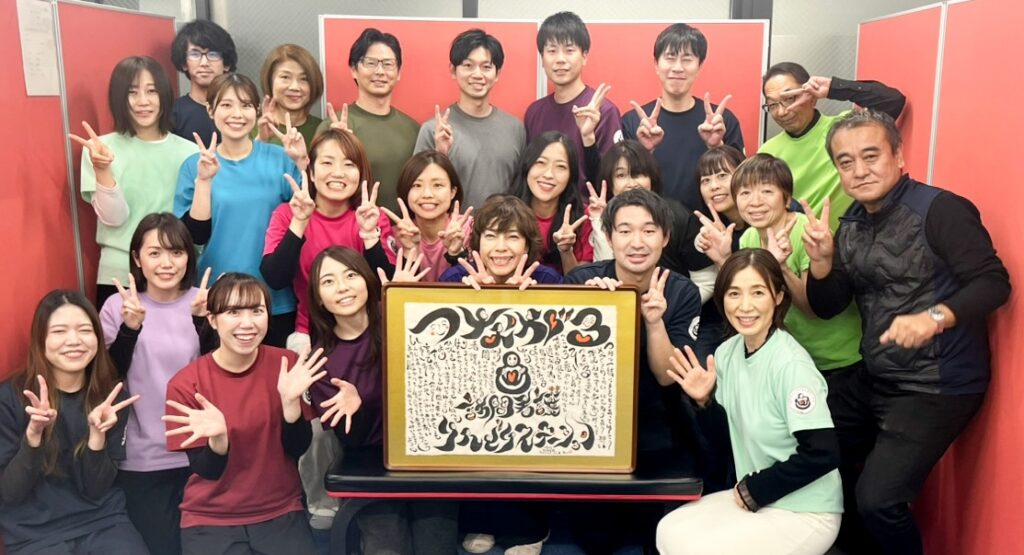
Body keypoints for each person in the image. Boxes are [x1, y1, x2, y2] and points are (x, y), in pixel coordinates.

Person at [804, 110, 1011, 554]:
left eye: (871, 156)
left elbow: (994, 283)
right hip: (877, 374)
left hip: (938, 384)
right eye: (845, 162)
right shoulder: (851, 222)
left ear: (898, 156)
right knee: (813, 453)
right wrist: (821, 264)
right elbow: (829, 305)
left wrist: (934, 317)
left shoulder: (941, 209)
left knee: (879, 501)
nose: (859, 171)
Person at [657, 249, 843, 555]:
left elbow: (823, 453)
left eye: (758, 292)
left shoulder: (791, 364)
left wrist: (756, 489)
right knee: (668, 530)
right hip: (757, 499)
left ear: (778, 297)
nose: (745, 306)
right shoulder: (727, 353)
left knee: (695, 549)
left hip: (805, 510)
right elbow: (724, 439)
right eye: (734, 293)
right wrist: (704, 401)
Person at [564, 188, 703, 552]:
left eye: (648, 230)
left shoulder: (682, 291)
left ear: (665, 237)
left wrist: (654, 322)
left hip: (659, 426)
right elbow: (564, 372)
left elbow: (667, 376)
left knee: (659, 538)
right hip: (593, 429)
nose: (637, 242)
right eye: (625, 231)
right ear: (609, 237)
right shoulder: (581, 282)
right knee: (596, 541)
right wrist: (593, 310)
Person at [306, 247, 456, 553]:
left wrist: (410, 302)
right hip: (368, 458)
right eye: (329, 281)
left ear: (366, 279)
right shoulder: (321, 360)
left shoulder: (402, 317)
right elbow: (351, 440)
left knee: (435, 545)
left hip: (428, 451)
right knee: (387, 547)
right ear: (319, 298)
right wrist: (356, 410)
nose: (343, 287)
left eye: (350, 275)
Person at [163, 273, 324, 554]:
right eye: (233, 312)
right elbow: (206, 470)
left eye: (256, 311)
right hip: (210, 519)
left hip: (281, 510)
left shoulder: (287, 364)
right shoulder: (187, 384)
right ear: (212, 320)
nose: (247, 323)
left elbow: (298, 448)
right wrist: (219, 440)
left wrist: (290, 405)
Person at [0, 290, 146, 554]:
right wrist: (33, 438)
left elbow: (96, 488)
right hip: (34, 534)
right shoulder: (9, 398)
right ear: (40, 339)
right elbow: (9, 492)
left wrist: (97, 437)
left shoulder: (111, 398)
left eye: (84, 330)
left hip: (103, 521)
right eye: (59, 331)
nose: (74, 341)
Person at [698, 153, 864, 378]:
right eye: (745, 193)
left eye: (767, 191)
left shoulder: (807, 233)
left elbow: (811, 310)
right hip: (787, 358)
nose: (755, 202)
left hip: (834, 360)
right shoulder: (749, 238)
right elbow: (751, 295)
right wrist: (723, 259)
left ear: (786, 199)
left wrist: (782, 267)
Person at [98, 213, 206, 555]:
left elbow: (223, 373)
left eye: (176, 252)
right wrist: (129, 329)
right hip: (142, 458)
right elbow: (107, 379)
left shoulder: (204, 302)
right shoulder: (118, 306)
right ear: (137, 258)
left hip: (201, 453)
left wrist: (205, 324)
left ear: (189, 257)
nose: (166, 263)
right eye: (155, 253)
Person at [174, 73, 304, 348]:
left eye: (245, 105)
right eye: (226, 105)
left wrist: (302, 163)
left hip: (274, 297)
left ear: (256, 111)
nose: (237, 114)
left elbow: (308, 214)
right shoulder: (194, 165)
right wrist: (204, 181)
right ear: (210, 110)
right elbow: (195, 236)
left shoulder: (280, 158)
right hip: (217, 298)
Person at [72, 56, 198, 307]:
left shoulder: (191, 153)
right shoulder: (99, 149)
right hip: (120, 274)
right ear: (120, 98)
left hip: (173, 273)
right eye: (132, 92)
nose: (143, 101)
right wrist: (102, 169)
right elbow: (114, 218)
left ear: (164, 95)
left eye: (151, 91)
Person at [261, 128, 397, 352]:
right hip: (309, 334)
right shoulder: (287, 214)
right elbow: (275, 278)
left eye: (349, 164)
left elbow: (387, 285)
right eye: (327, 163)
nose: (338, 173)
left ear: (360, 174)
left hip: (367, 335)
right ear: (312, 172)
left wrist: (369, 235)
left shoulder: (373, 217)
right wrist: (299, 223)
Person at [758, 62, 905, 229]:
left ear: (811, 96)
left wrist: (833, 88)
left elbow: (892, 101)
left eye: (790, 98)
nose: (782, 112)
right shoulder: (767, 152)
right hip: (794, 241)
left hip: (851, 237)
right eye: (772, 105)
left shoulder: (845, 130)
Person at [621, 23, 744, 211]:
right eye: (670, 58)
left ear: (699, 66)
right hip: (649, 224)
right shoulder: (633, 122)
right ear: (656, 64)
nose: (678, 68)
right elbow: (622, 184)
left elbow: (742, 183)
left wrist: (716, 147)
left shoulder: (722, 121)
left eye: (687, 59)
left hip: (710, 226)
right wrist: (645, 152)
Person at [587, 139, 715, 303]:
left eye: (638, 174)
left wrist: (671, 308)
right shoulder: (600, 217)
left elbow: (706, 281)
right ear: (609, 182)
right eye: (621, 175)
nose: (631, 183)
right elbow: (604, 267)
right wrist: (599, 221)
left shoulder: (678, 216)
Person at [414, 29, 525, 209]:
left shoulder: (515, 129)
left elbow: (522, 190)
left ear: (497, 74)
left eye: (486, 67)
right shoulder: (433, 130)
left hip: (500, 227)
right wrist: (440, 155)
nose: (477, 74)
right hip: (451, 226)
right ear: (453, 70)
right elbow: (418, 191)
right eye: (468, 65)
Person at [318, 28, 420, 213]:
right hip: (352, 228)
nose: (380, 71)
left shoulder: (414, 129)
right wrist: (341, 145)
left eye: (388, 64)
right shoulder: (334, 126)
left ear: (398, 72)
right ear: (353, 70)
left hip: (403, 229)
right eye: (370, 63)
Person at [525, 11, 622, 188]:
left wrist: (588, 139)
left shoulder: (604, 111)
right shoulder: (534, 112)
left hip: (587, 205)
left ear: (584, 56)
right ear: (542, 59)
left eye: (569, 51)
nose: (560, 60)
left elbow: (613, 179)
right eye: (552, 51)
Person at [512, 132, 594, 275]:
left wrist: (566, 250)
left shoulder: (583, 218)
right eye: (540, 163)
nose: (548, 174)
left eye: (561, 167)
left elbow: (580, 283)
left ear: (571, 175)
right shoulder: (505, 212)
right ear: (527, 166)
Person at [386, 151, 473, 282]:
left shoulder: (470, 230)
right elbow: (398, 290)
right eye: (417, 185)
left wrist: (456, 253)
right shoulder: (396, 236)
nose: (427, 194)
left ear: (453, 192)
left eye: (437, 185)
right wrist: (409, 250)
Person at [439, 195, 561, 287]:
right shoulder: (454, 280)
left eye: (513, 237)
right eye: (490, 236)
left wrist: (528, 297)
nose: (500, 247)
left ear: (527, 246)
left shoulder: (548, 281)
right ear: (479, 242)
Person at [170, 19, 238, 145]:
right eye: (195, 54)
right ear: (184, 63)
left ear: (226, 64)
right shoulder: (172, 113)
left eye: (213, 54)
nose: (204, 63)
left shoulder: (241, 110)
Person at [256, 44, 325, 146]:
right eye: (285, 77)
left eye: (304, 79)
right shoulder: (249, 128)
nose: (295, 87)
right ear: (270, 81)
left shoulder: (323, 130)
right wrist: (261, 140)